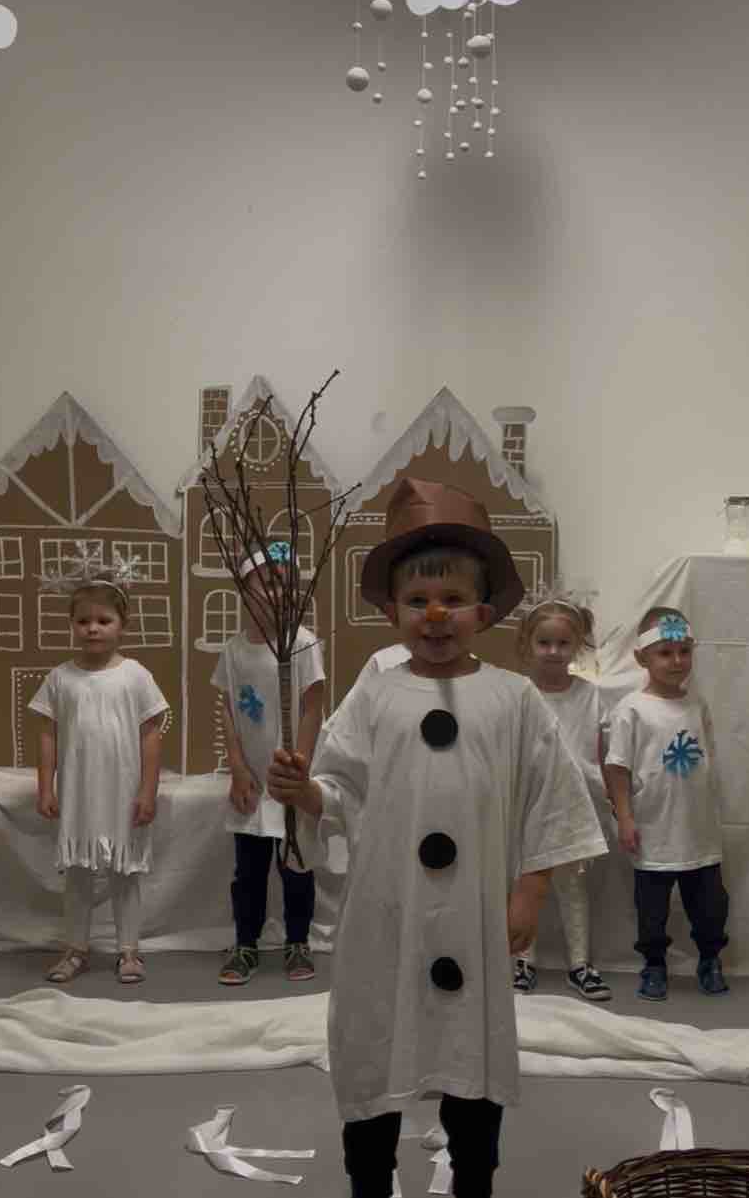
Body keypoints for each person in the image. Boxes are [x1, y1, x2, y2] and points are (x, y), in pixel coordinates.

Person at [268, 478, 606, 1198]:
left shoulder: (512, 697)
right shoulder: (377, 692)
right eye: (418, 599)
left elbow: (552, 799)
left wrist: (529, 889)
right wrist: (305, 793)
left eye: (453, 597)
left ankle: (474, 1179)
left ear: (484, 610)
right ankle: (369, 1178)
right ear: (391, 610)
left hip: (473, 913)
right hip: (386, 912)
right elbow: (342, 788)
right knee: (374, 1041)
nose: (435, 614)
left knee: (468, 1054)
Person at [30, 566, 168, 984]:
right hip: (79, 793)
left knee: (125, 872)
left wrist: (148, 790)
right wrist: (46, 787)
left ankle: (129, 951)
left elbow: (151, 735)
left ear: (122, 625)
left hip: (123, 792)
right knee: (78, 874)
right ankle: (75, 948)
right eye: (83, 620)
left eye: (103, 620)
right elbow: (48, 735)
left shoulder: (136, 676)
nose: (93, 628)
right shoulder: (60, 678)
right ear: (72, 624)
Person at [604, 606, 729, 1001]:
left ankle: (710, 959)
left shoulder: (697, 704)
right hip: (654, 829)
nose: (677, 661)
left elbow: (706, 759)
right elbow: (618, 768)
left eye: (684, 651)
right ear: (642, 657)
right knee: (652, 910)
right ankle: (654, 964)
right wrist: (625, 817)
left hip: (698, 829)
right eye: (665, 653)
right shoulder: (631, 709)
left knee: (710, 906)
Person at [214, 542, 325, 985]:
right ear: (244, 588)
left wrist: (299, 768)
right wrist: (238, 768)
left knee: (296, 865)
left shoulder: (303, 645)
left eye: (287, 584)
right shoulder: (233, 651)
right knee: (249, 870)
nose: (281, 592)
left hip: (289, 778)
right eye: (269, 582)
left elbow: (313, 707)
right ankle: (246, 943)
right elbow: (227, 710)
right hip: (253, 783)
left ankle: (298, 941)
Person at [512, 593, 612, 1001]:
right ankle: (523, 959)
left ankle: (580, 964)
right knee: (525, 883)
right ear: (528, 643)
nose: (553, 651)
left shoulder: (591, 695)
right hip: (528, 804)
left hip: (574, 805)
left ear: (577, 645)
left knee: (573, 888)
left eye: (563, 643)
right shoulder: (518, 693)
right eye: (544, 642)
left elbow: (602, 753)